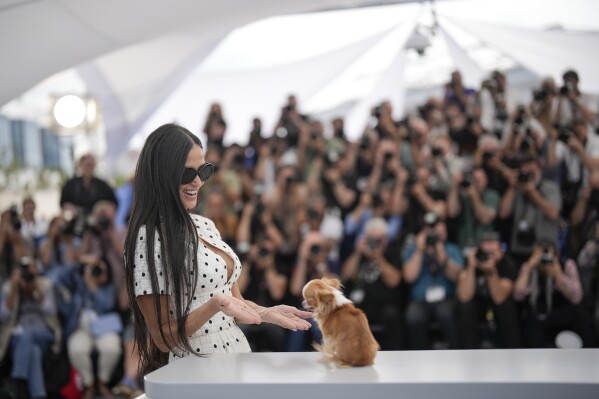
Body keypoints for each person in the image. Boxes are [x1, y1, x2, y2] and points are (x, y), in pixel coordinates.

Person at [123, 124, 311, 374]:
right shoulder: (147, 239)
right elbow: (163, 338)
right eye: (186, 173)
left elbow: (234, 303)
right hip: (196, 371)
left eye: (203, 170)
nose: (198, 181)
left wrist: (266, 313)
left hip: (236, 357)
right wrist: (214, 305)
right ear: (162, 174)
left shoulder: (204, 225)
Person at [57, 255, 122, 399]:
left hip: (104, 328)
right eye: (95, 269)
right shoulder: (78, 285)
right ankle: (89, 385)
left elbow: (107, 305)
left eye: (101, 270)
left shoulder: (109, 288)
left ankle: (102, 383)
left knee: (112, 348)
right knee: (77, 349)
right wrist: (79, 263)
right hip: (81, 329)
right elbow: (60, 278)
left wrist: (93, 288)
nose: (98, 273)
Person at [0, 256, 62, 399]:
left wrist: (34, 290)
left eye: (30, 268)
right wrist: (15, 289)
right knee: (33, 351)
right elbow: (3, 315)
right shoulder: (9, 286)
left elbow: (50, 310)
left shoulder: (45, 284)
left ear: (36, 269)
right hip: (16, 336)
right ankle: (38, 394)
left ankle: (16, 380)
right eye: (24, 269)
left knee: (28, 334)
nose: (27, 272)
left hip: (43, 333)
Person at [514, 243, 594, 348]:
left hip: (564, 312)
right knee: (530, 319)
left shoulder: (567, 264)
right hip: (539, 314)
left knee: (582, 315)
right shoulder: (529, 266)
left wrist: (558, 275)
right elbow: (517, 295)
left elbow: (577, 297)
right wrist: (530, 267)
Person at [402, 213, 463, 350]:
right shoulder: (413, 249)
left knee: (447, 314)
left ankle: (455, 352)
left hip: (446, 299)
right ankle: (420, 357)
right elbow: (409, 277)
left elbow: (456, 276)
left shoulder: (451, 249)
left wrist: (440, 252)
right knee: (413, 316)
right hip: (420, 300)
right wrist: (419, 250)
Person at [341, 218, 402, 350]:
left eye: (378, 240)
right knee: (348, 314)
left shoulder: (391, 253)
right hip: (361, 304)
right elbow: (346, 275)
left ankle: (393, 353)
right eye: (371, 239)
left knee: (391, 315)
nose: (374, 243)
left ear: (385, 239)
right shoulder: (360, 254)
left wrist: (379, 258)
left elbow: (394, 281)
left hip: (384, 304)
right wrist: (358, 252)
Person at [456, 232, 522, 349]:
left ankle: (513, 352)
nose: (488, 249)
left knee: (507, 307)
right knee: (466, 308)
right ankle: (468, 353)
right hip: (479, 306)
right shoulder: (474, 261)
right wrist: (471, 267)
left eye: (492, 244)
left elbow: (499, 297)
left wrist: (491, 271)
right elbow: (464, 296)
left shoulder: (508, 264)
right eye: (486, 244)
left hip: (498, 307)